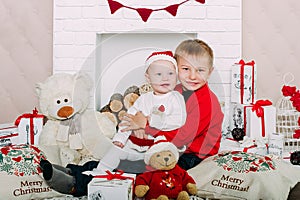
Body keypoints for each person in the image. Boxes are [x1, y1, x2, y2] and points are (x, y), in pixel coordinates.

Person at [39, 50, 187, 197]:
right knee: (110, 157)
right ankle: (71, 170)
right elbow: (128, 120)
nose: (165, 78)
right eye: (158, 74)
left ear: (177, 76)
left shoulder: (175, 98)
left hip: (156, 152)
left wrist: (146, 122)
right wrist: (119, 140)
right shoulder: (144, 99)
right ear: (148, 78)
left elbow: (177, 120)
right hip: (135, 146)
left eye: (170, 74)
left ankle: (73, 183)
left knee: (121, 170)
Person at [120, 39, 224, 170]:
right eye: (186, 69)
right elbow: (156, 114)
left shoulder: (207, 101)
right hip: (172, 146)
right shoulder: (175, 91)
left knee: (153, 171)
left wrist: (145, 125)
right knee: (129, 155)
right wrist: (138, 126)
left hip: (195, 156)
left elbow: (182, 137)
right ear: (176, 69)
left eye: (200, 70)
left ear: (209, 72)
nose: (192, 76)